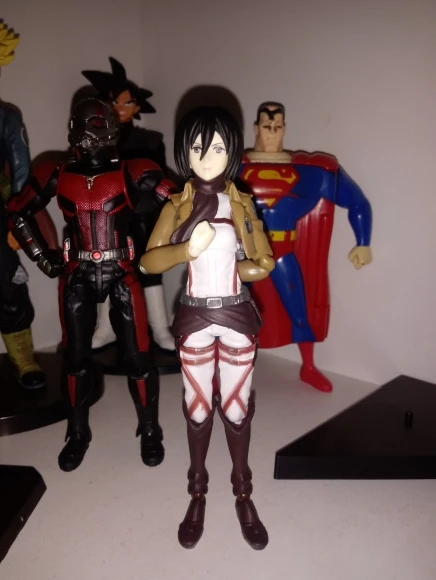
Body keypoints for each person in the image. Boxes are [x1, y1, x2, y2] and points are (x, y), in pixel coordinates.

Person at [8, 98, 176, 471]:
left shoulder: (134, 169)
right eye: (85, 125)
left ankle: (149, 430)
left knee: (139, 357)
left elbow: (182, 201)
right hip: (77, 275)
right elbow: (17, 212)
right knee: (75, 359)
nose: (91, 133)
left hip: (122, 271)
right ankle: (77, 432)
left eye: (99, 125)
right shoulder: (56, 172)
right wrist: (42, 258)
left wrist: (165, 247)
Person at [141, 106, 274, 550]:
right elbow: (148, 261)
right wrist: (187, 250)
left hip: (236, 313)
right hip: (195, 315)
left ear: (231, 151)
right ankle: (197, 493)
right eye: (198, 148)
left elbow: (262, 261)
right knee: (197, 410)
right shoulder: (177, 205)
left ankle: (243, 494)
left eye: (217, 148)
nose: (207, 157)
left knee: (236, 409)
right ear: (186, 152)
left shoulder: (241, 202)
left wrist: (249, 266)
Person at [238, 101, 373, 392]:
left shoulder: (312, 171)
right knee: (228, 313)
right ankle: (224, 368)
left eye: (277, 127)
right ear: (256, 128)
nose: (271, 132)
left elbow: (358, 202)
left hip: (282, 253)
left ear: (284, 129)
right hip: (243, 254)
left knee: (299, 310)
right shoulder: (231, 167)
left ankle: (308, 367)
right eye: (266, 126)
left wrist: (363, 243)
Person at [82, 57, 176, 352]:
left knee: (151, 269)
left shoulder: (150, 140)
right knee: (104, 268)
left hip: (143, 214)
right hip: (107, 215)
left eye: (127, 103)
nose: (120, 109)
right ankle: (105, 328)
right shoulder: (94, 141)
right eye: (114, 103)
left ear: (137, 108)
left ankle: (159, 328)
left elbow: (158, 178)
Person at [0, 20, 57, 389]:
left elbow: (21, 173)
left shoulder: (6, 118)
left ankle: (23, 358)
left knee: (8, 285)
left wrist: (17, 221)